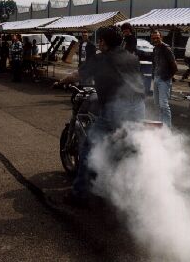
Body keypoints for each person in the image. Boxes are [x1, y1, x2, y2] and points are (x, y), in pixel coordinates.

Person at [60, 26, 146, 206]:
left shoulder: (101, 59)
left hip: (116, 109)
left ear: (104, 42)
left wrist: (61, 81)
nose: (98, 43)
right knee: (128, 146)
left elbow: (77, 74)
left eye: (100, 40)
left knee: (88, 148)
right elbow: (127, 80)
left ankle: (80, 193)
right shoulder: (131, 57)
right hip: (139, 107)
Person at [151, 30, 178, 128]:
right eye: (153, 38)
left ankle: (167, 128)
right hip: (157, 78)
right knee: (157, 104)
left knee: (163, 104)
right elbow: (154, 64)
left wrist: (168, 77)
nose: (155, 40)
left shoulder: (166, 48)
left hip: (164, 80)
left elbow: (175, 67)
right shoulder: (155, 49)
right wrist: (154, 76)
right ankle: (160, 125)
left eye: (157, 38)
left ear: (161, 37)